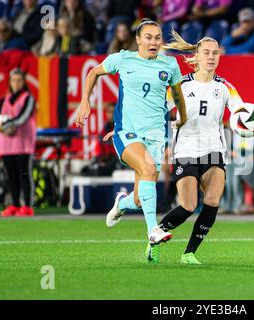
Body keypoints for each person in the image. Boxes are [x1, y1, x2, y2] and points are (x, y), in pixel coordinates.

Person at [155, 31, 254, 264]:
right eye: (206, 52)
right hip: (185, 151)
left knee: (213, 200)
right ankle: (155, 235)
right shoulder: (180, 85)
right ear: (196, 56)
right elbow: (156, 112)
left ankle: (189, 253)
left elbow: (247, 119)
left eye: (215, 53)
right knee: (187, 206)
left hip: (214, 149)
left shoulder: (225, 87)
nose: (211, 57)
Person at [76, 19, 188, 253]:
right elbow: (94, 73)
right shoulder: (122, 59)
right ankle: (153, 231)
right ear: (138, 40)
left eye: (157, 37)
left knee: (139, 199)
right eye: (148, 37)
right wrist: (84, 101)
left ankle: (121, 204)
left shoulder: (170, 65)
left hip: (156, 135)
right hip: (127, 132)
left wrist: (183, 118)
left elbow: (177, 96)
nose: (153, 42)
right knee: (148, 170)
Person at [0, 68, 37, 217]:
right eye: (14, 80)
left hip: (23, 143)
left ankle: (28, 205)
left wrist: (6, 125)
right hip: (6, 144)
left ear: (23, 82)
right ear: (10, 82)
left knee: (24, 174)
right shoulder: (4, 99)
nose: (16, 83)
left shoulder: (28, 98)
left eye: (19, 80)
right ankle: (15, 204)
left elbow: (22, 117)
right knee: (11, 175)